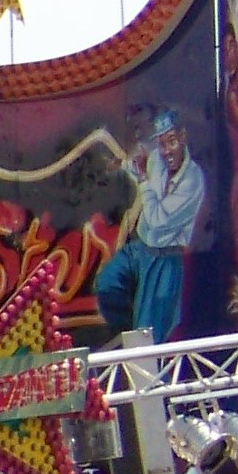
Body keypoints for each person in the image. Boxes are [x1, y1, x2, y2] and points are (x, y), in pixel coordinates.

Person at [95, 110, 205, 346]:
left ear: (183, 137)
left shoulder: (193, 181)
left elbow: (157, 220)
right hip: (139, 250)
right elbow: (136, 167)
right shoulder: (156, 159)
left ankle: (141, 345)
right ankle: (128, 329)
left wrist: (144, 180)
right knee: (106, 284)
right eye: (162, 144)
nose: (166, 151)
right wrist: (118, 165)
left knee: (148, 338)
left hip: (166, 260)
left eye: (171, 142)